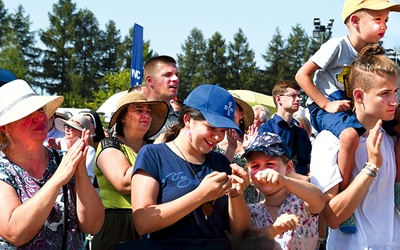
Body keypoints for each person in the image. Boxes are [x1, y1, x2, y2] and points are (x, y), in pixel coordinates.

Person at [295, 0, 400, 210]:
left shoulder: (374, 55)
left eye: (386, 20)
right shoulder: (337, 46)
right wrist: (325, 104)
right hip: (325, 106)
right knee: (349, 135)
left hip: (350, 107)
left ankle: (396, 188)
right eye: (377, 19)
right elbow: (301, 75)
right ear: (355, 21)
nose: (384, 26)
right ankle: (343, 195)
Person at [131, 84, 251, 248]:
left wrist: (237, 195)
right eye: (211, 127)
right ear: (188, 120)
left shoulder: (221, 163)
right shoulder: (153, 155)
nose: (217, 137)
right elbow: (142, 222)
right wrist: (200, 195)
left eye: (223, 130)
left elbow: (239, 232)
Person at [310, 44, 400, 248]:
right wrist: (371, 167)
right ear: (358, 96)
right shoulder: (329, 140)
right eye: (385, 93)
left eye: (395, 91)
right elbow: (332, 217)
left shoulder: (391, 137)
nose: (394, 101)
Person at [0, 79, 104, 248]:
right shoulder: (3, 170)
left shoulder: (64, 161)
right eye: (26, 114)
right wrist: (57, 180)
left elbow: (92, 226)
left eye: (40, 110)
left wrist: (80, 173)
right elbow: (14, 233)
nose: (38, 117)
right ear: (5, 128)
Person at [92, 91, 169, 250]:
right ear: (122, 117)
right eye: (139, 110)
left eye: (148, 112)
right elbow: (124, 182)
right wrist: (156, 151)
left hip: (153, 222)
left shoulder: (151, 146)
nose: (146, 115)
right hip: (118, 226)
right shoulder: (108, 144)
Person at [243, 132, 324, 249]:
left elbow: (319, 199)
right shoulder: (251, 212)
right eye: (255, 166)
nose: (262, 171)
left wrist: (284, 181)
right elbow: (245, 240)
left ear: (289, 167)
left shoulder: (301, 201)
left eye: (270, 164)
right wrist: (273, 230)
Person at [257, 81, 311, 178]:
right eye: (293, 95)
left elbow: (308, 164)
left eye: (299, 95)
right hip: (276, 185)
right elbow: (265, 165)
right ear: (279, 99)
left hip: (301, 188)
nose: (298, 99)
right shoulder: (266, 130)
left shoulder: (302, 133)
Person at [144, 55, 180, 142]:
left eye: (177, 75)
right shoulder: (136, 118)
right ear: (150, 81)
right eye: (167, 75)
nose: (176, 79)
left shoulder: (182, 120)